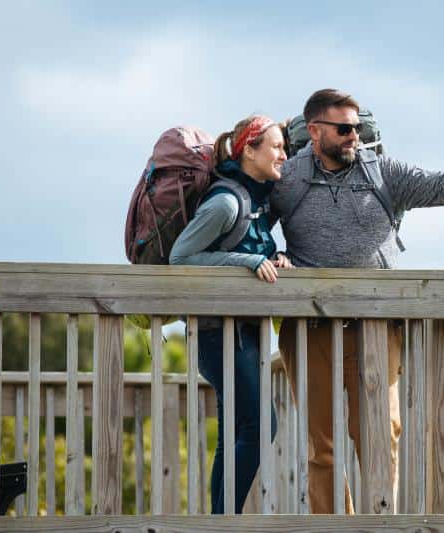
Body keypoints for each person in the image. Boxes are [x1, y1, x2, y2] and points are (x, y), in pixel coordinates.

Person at [271, 89, 444, 514]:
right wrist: (268, 256)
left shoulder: (383, 172)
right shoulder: (286, 178)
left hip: (376, 324)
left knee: (382, 429)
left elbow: (440, 186)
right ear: (316, 131)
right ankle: (332, 525)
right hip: (311, 324)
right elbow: (249, 221)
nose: (353, 137)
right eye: (343, 129)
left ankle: (379, 521)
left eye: (356, 128)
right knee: (321, 443)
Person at [170, 114, 292, 513]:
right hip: (216, 334)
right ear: (249, 150)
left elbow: (249, 246)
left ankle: (220, 521)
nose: (284, 155)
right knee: (261, 427)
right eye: (276, 147)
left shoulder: (256, 198)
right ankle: (227, 520)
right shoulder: (225, 201)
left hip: (243, 333)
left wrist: (275, 258)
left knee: (234, 433)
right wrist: (246, 262)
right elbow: (181, 258)